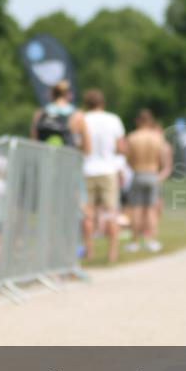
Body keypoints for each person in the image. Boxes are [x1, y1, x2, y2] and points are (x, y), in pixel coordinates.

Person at [81, 89, 125, 263]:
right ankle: (112, 253)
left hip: (87, 169)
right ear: (103, 103)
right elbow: (121, 147)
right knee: (111, 212)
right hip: (108, 169)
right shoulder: (113, 119)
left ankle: (89, 251)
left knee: (88, 213)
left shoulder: (82, 119)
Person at [119, 109, 172, 253]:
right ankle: (151, 241)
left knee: (136, 209)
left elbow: (128, 159)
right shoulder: (157, 138)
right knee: (150, 210)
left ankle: (135, 242)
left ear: (138, 121)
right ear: (150, 121)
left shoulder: (132, 137)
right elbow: (162, 160)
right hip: (152, 173)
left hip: (138, 173)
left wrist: (136, 168)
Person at [30, 79, 89, 151]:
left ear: (52, 94)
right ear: (69, 94)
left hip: (45, 159)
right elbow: (87, 148)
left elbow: (33, 143)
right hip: (67, 159)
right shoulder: (77, 115)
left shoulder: (39, 114)